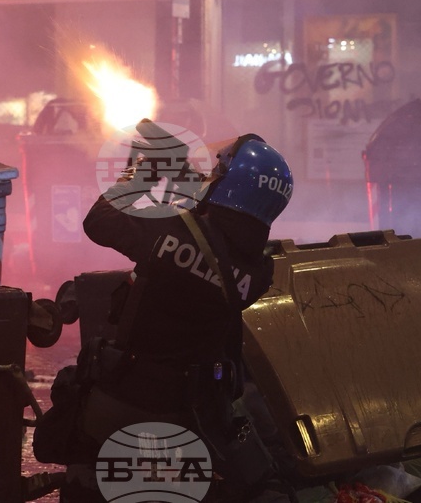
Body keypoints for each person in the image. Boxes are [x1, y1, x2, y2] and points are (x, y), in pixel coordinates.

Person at [45, 130, 295, 503]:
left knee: (81, 464)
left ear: (229, 186)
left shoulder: (169, 232)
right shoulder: (257, 271)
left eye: (218, 173)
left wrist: (143, 171)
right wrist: (192, 177)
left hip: (127, 401)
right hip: (196, 412)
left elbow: (98, 220)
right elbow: (212, 236)